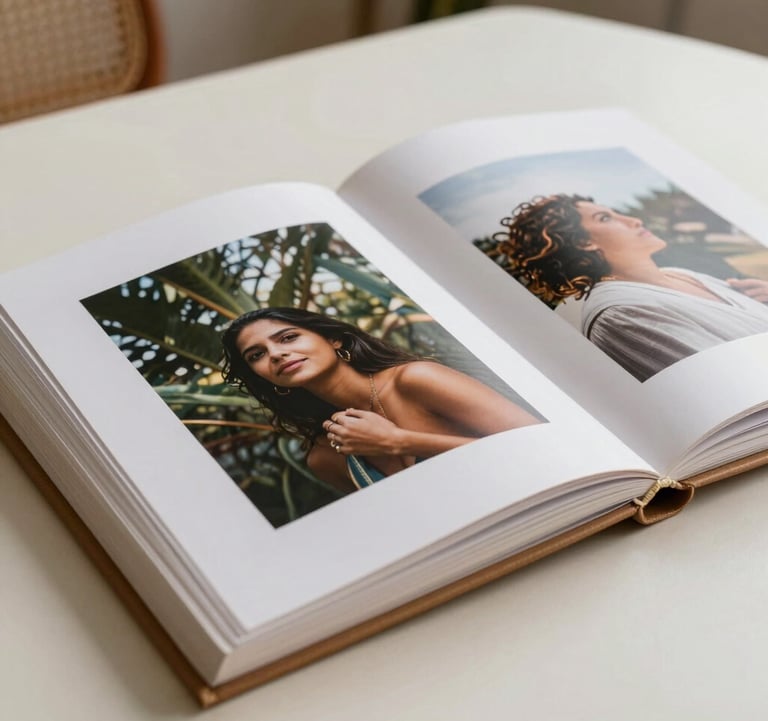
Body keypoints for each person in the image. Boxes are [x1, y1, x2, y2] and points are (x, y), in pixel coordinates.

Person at [221, 307, 539, 492]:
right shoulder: (326, 458)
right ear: (261, 375)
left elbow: (537, 444)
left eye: (288, 338)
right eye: (257, 355)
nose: (276, 354)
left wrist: (400, 442)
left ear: (334, 338)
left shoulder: (415, 380)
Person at [485, 194, 768, 381]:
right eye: (605, 218)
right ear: (583, 242)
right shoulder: (619, 316)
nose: (634, 220)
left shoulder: (681, 274)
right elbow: (732, 382)